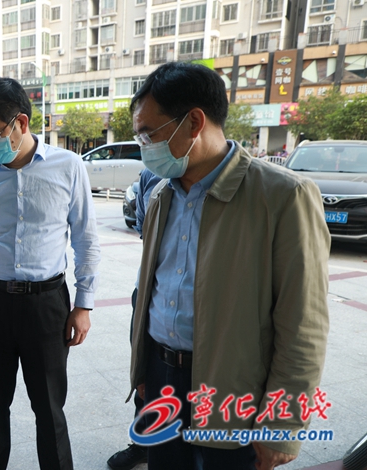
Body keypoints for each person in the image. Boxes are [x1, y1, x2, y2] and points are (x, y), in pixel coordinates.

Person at [127, 62, 330, 470]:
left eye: (149, 134)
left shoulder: (282, 196)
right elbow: (151, 291)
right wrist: (144, 370)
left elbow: (303, 324)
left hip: (234, 390)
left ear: (194, 122)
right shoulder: (161, 196)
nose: (144, 146)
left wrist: (282, 423)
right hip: (162, 378)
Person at [0, 77, 101, 470]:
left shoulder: (68, 166)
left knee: (49, 408)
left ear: (20, 122)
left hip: (46, 305)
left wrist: (83, 305)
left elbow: (86, 239)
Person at [107, 168, 161, 470]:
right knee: (145, 371)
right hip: (148, 291)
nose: (148, 147)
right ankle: (144, 444)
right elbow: (144, 230)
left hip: (203, 301)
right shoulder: (151, 175)